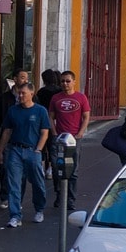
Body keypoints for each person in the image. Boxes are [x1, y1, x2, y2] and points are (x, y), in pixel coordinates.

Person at [0, 83, 51, 228]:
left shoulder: (40, 111)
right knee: (13, 183)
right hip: (15, 150)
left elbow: (44, 133)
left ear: (31, 94)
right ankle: (15, 215)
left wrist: (38, 150)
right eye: (19, 93)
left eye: (23, 93)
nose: (20, 96)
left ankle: (39, 209)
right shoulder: (13, 111)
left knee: (37, 182)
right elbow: (7, 131)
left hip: (32, 150)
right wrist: (0, 152)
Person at [49, 71, 90, 211]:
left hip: (74, 139)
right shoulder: (55, 98)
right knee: (56, 168)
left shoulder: (81, 97)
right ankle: (59, 195)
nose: (65, 84)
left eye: (67, 81)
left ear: (74, 82)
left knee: (73, 170)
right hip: (59, 138)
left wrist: (80, 133)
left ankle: (70, 199)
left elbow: (86, 116)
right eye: (62, 81)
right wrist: (54, 133)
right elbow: (51, 116)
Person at [0, 69, 27, 211]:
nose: (25, 80)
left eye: (26, 78)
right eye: (22, 77)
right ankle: (5, 196)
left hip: (24, 139)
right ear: (15, 79)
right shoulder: (4, 98)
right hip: (7, 139)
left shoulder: (32, 98)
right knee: (5, 168)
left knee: (22, 172)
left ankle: (18, 198)